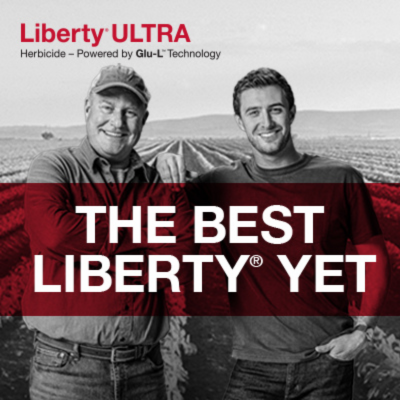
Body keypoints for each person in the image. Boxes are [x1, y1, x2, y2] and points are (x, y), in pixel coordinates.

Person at [156, 68, 390, 399]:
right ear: (240, 121)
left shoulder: (339, 178)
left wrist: (363, 330)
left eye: (275, 109)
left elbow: (375, 256)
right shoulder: (220, 184)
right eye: (253, 112)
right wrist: (165, 160)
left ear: (291, 112)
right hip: (253, 367)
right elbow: (154, 202)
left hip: (326, 362)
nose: (265, 122)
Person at [23, 64, 195, 400]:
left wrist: (173, 189)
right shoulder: (54, 166)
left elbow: (179, 263)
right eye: (107, 107)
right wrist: (144, 236)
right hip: (67, 371)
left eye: (130, 111)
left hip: (144, 371)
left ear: (143, 120)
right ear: (87, 107)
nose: (117, 122)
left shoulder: (158, 182)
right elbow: (55, 234)